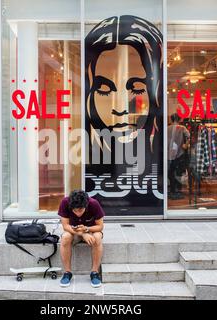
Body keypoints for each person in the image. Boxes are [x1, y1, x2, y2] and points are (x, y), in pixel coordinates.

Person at [85, 15, 164, 214]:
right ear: (89, 96)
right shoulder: (90, 160)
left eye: (136, 88)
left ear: (155, 92)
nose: (120, 108)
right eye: (103, 89)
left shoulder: (156, 157)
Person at [58, 190, 105, 288]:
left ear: (86, 205)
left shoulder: (93, 203)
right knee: (65, 237)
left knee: (97, 237)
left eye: (80, 210)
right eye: (75, 211)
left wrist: (87, 229)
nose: (78, 213)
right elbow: (65, 226)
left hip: (91, 230)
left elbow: (100, 227)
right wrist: (83, 234)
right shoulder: (65, 202)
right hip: (73, 231)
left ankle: (94, 272)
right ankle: (67, 272)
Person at [167, 113, 190, 200]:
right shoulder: (182, 128)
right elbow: (189, 137)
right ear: (179, 119)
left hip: (168, 154)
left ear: (172, 119)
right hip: (178, 153)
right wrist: (186, 145)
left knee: (170, 172)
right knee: (177, 172)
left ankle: (173, 190)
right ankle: (175, 190)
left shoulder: (167, 128)